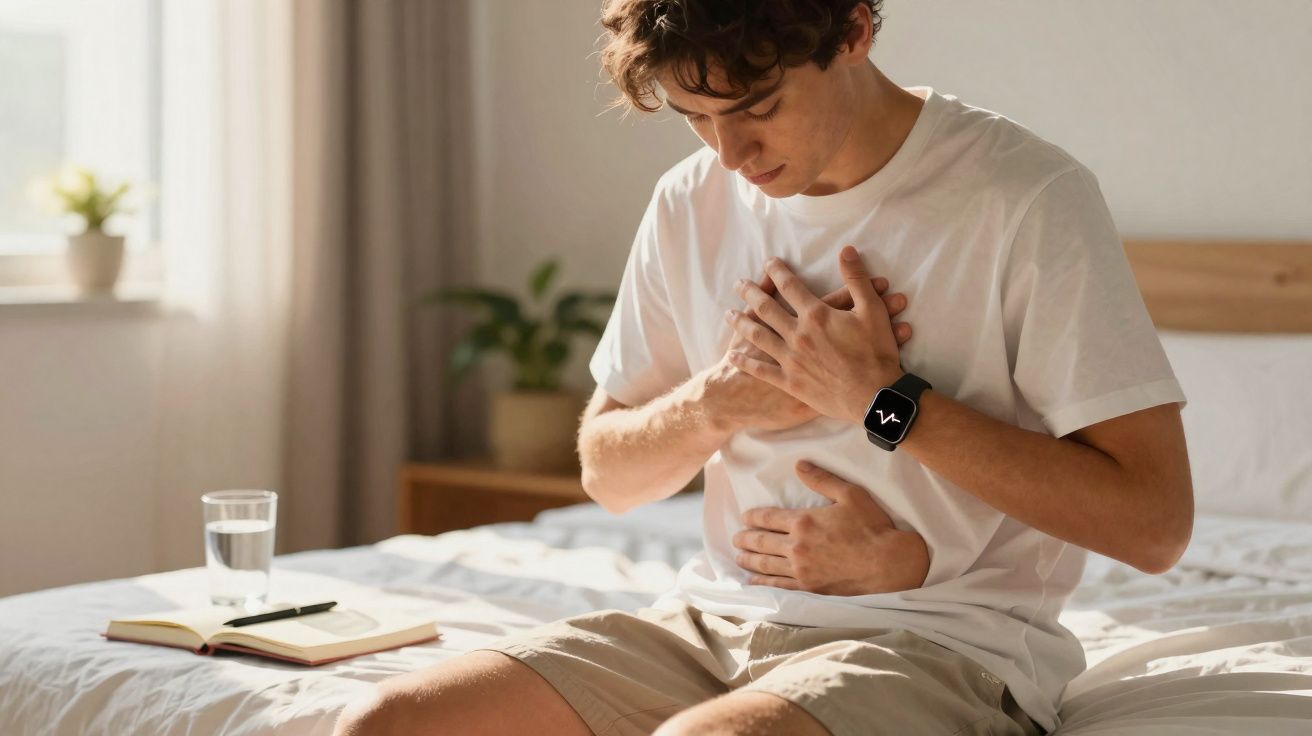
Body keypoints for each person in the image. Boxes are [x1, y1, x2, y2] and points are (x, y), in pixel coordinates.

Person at [334, 1, 1193, 734]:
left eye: (757, 106)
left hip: (942, 641)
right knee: (384, 723)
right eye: (696, 118)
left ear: (854, 28)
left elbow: (1154, 526)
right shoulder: (688, 201)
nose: (729, 154)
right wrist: (718, 404)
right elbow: (608, 472)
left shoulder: (1024, 198)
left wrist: (882, 400)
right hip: (711, 627)